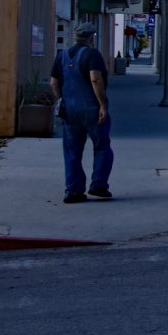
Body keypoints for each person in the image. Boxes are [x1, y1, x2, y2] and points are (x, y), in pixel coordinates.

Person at [49, 23, 114, 203]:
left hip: (69, 110)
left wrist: (61, 99)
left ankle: (73, 190)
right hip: (92, 109)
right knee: (102, 146)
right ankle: (98, 185)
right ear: (92, 38)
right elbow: (95, 78)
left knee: (72, 151)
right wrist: (102, 105)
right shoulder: (92, 54)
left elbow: (53, 83)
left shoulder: (61, 56)